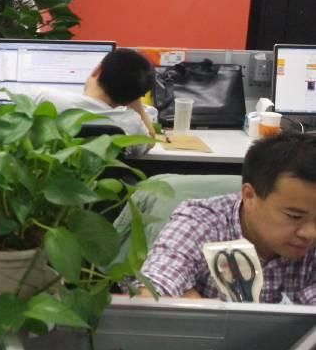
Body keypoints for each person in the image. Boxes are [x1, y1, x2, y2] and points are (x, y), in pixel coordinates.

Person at [139, 132, 316, 304]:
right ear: (249, 197)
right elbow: (151, 294)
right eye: (294, 216)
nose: (310, 233)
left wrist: (194, 299)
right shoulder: (201, 223)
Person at [26, 48, 157, 151]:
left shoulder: (42, 98)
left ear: (97, 70)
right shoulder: (131, 123)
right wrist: (138, 105)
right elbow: (150, 141)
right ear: (131, 100)